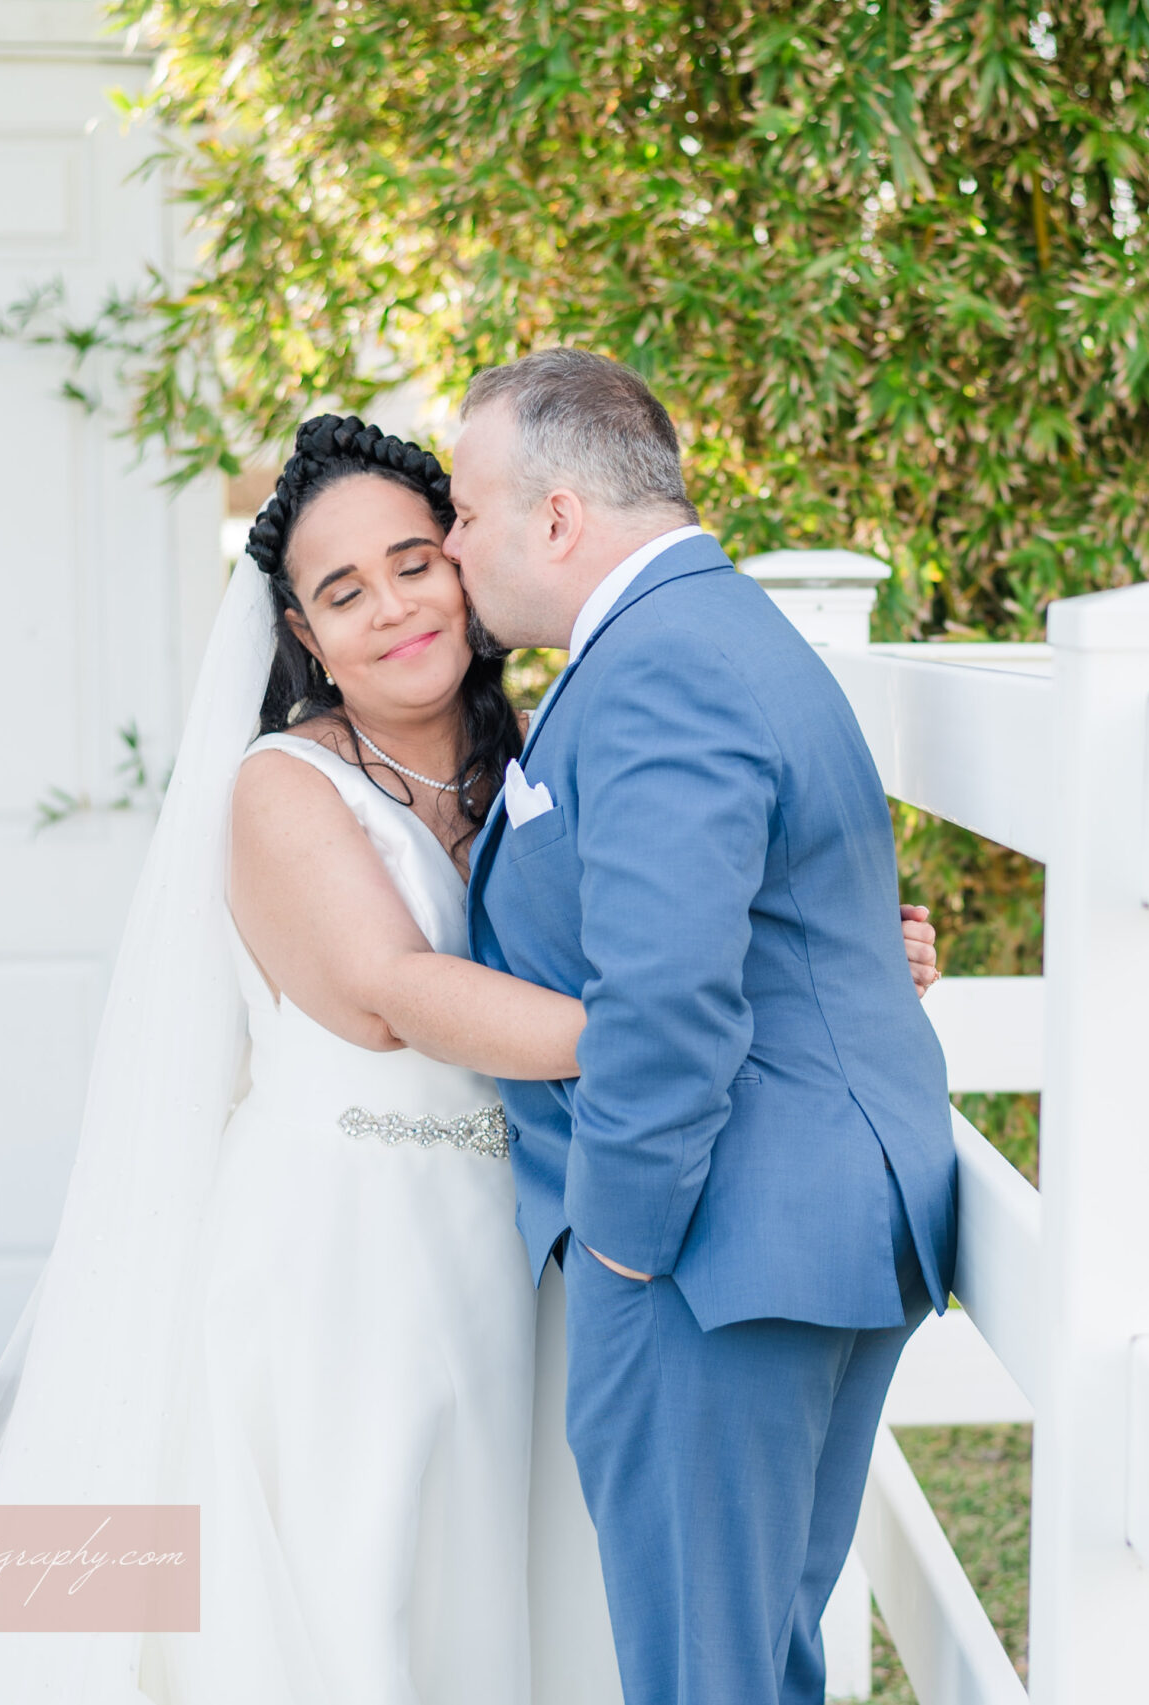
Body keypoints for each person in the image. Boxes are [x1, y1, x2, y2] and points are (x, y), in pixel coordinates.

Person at [0, 415, 941, 1705]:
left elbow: (678, 892)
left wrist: (816, 957)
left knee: (510, 1592)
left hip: (517, 1248)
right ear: (304, 638)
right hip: (344, 1258)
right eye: (345, 593)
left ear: (466, 560)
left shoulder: (547, 741)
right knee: (358, 1588)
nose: (396, 606)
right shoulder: (283, 789)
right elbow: (392, 995)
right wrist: (710, 1018)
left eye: (417, 559)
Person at [450, 350, 959, 1705]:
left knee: (704, 1679)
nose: (450, 546)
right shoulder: (712, 630)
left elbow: (668, 1002)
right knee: (752, 1668)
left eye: (462, 507)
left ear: (556, 518)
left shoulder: (662, 662)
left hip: (713, 1256)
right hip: (801, 1230)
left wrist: (622, 1242)